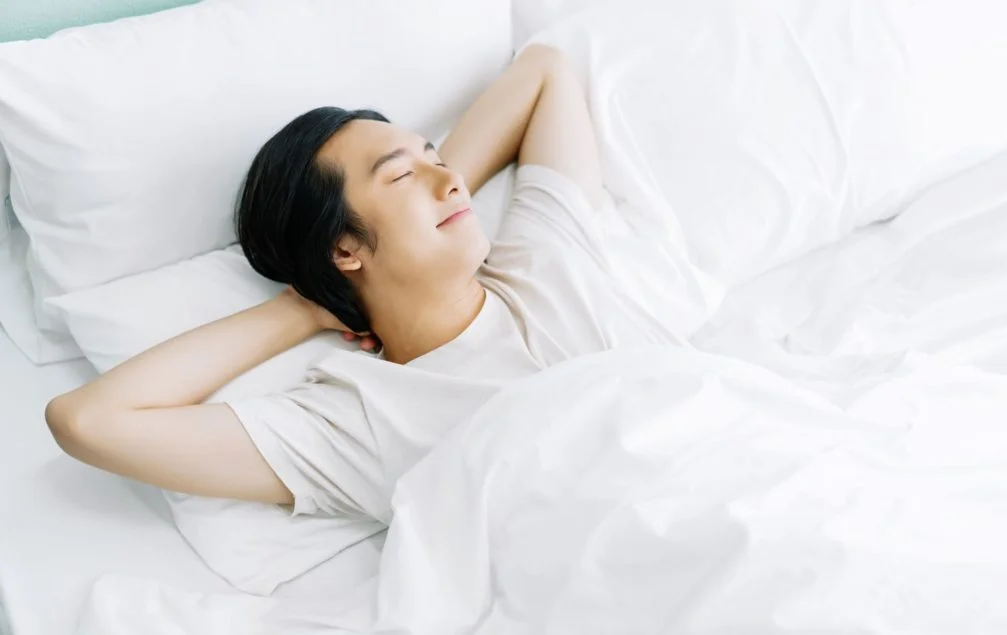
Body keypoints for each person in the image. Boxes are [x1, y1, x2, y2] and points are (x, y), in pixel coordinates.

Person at [45, 44, 689, 524]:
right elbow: (87, 421)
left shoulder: (544, 260)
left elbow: (546, 69)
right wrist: (303, 308)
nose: (454, 180)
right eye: (403, 176)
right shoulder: (361, 421)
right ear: (343, 248)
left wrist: (432, 195)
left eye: (439, 159)